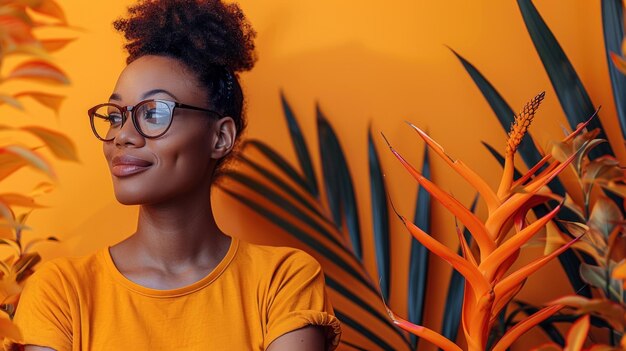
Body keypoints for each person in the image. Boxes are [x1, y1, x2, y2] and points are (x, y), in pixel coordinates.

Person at [8, 0, 341, 350]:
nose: (123, 135)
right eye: (116, 115)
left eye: (153, 113)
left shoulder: (282, 280)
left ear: (220, 137)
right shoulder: (61, 290)